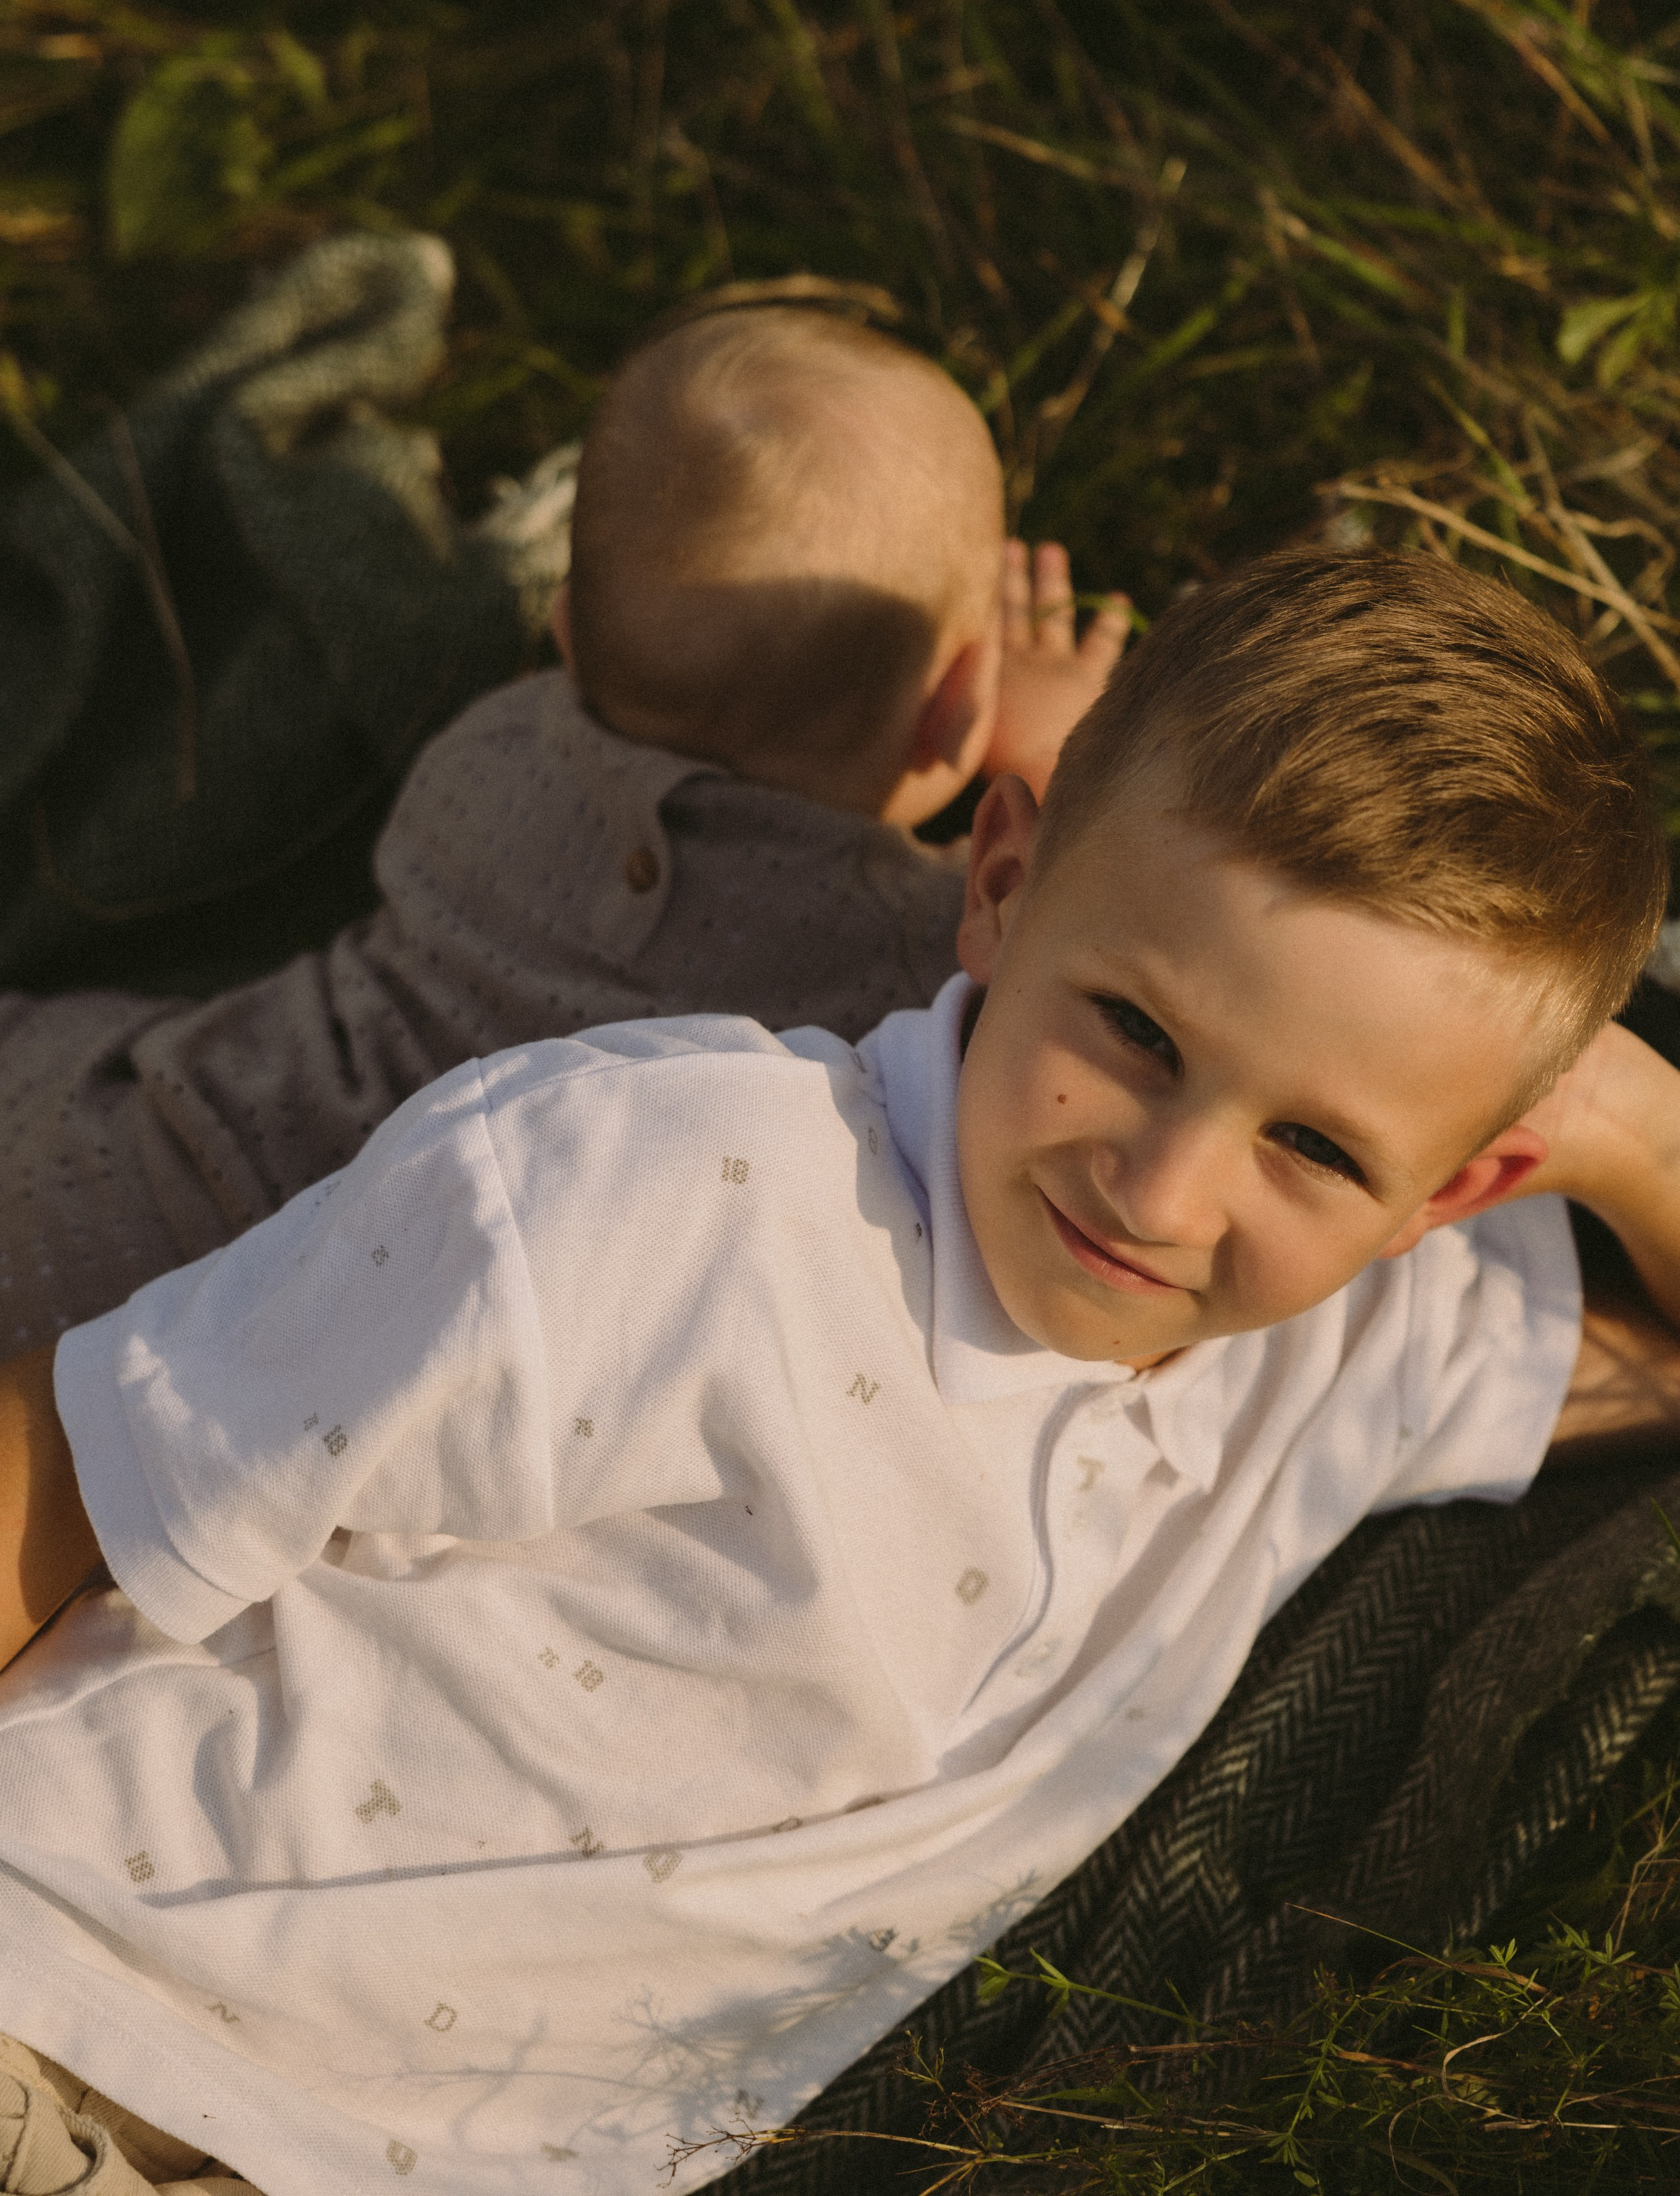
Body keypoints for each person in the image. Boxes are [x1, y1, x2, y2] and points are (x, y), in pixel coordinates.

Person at [2, 544, 1676, 2196]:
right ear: (1002, 885)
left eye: (1311, 1143)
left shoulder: (1347, 1356)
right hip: (62, 1979)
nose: (1161, 1193)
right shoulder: (664, 1181)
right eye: (1135, 1034)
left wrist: (1613, 1124)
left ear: (1448, 1193)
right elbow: (71, 1470)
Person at [0, 303, 1128, 1360]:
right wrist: (1052, 770)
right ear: (957, 707)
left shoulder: (492, 754)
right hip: (236, 1335)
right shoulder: (900, 951)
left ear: (560, 634)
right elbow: (1029, 949)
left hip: (93, 1156)